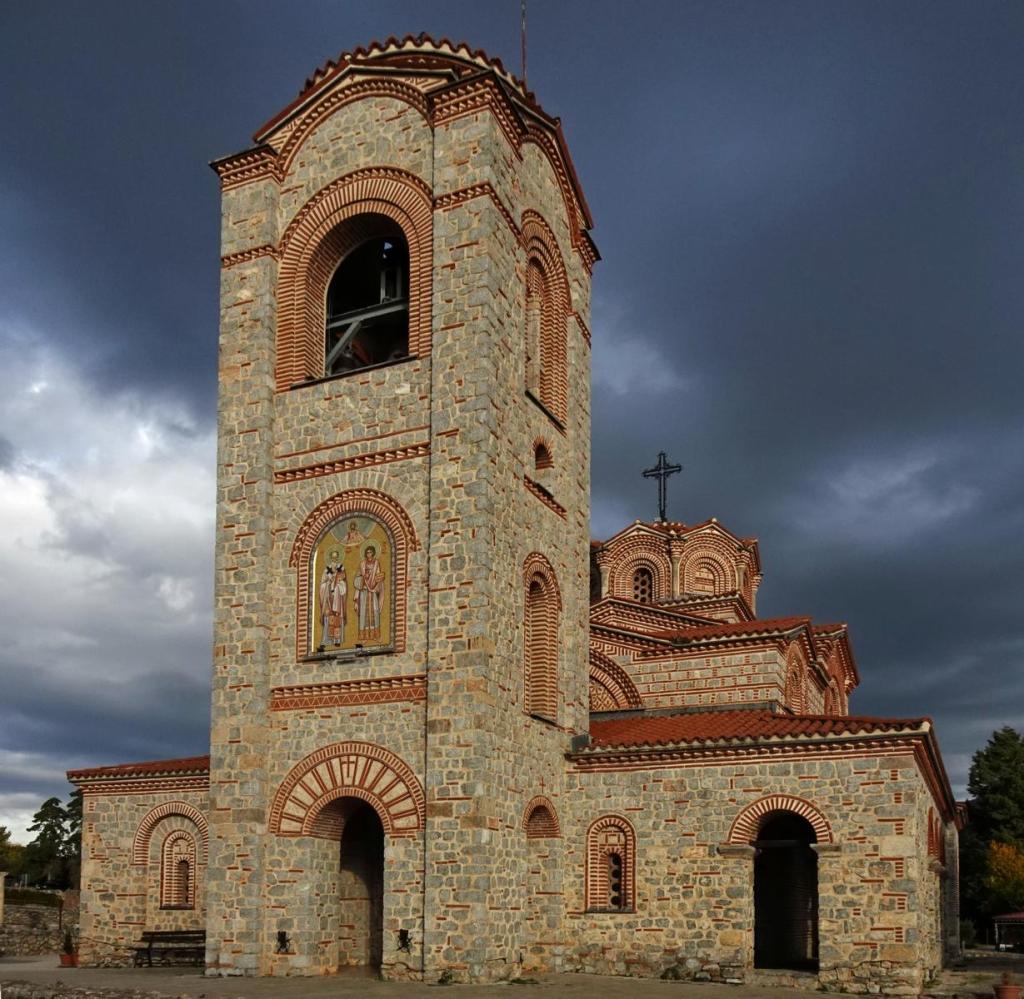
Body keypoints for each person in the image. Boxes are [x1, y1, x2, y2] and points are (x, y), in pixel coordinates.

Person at [355, 544, 384, 639]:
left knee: (374, 611)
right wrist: (363, 579)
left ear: (374, 553)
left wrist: (376, 580)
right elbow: (357, 577)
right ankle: (364, 636)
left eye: (370, 552)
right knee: (364, 612)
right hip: (364, 591)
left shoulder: (376, 563)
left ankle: (375, 635)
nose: (369, 554)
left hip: (373, 590)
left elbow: (379, 576)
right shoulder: (362, 564)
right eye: (367, 552)